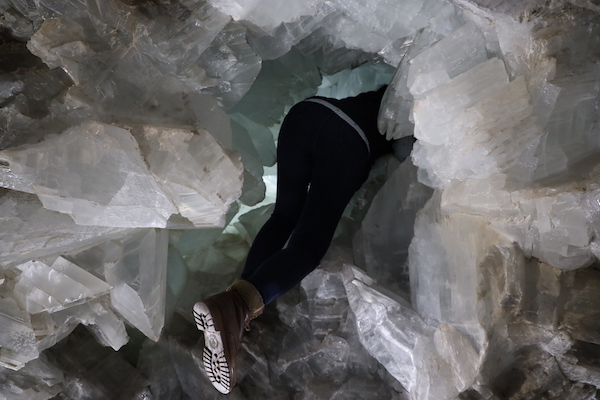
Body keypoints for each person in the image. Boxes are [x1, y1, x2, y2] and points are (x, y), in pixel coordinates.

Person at [193, 84, 415, 394]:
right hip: (347, 137)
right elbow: (406, 150)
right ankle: (237, 307)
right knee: (309, 244)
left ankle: (235, 307)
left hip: (306, 115)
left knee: (284, 216)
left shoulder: (390, 89)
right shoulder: (416, 105)